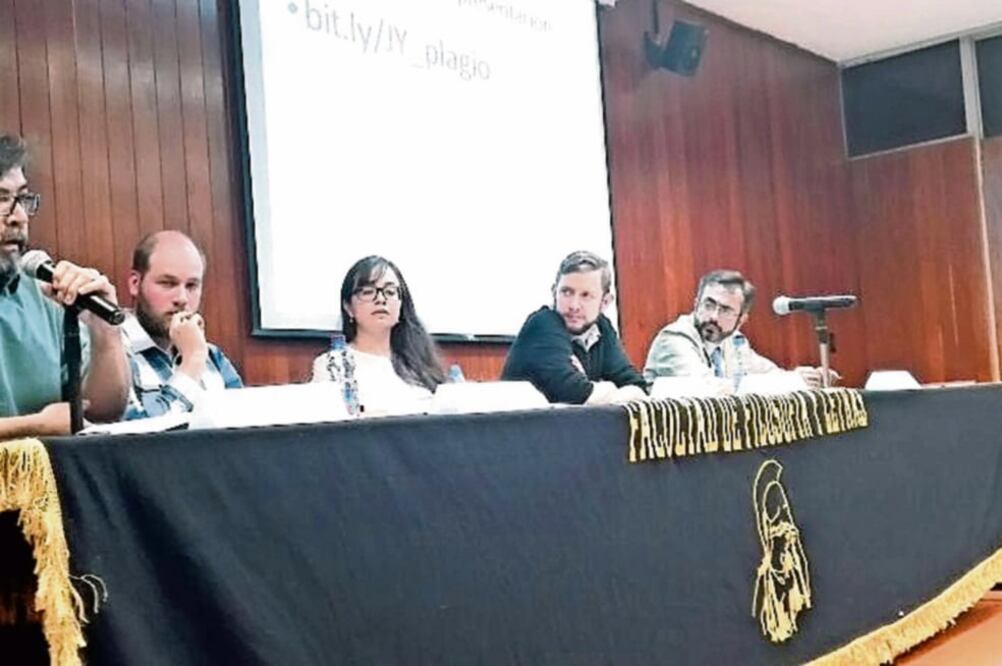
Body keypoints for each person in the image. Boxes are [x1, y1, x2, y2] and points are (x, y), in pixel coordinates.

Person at [0, 134, 129, 436]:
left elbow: (103, 411)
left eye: (22, 198)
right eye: (2, 199)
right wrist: (32, 427)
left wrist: (104, 332)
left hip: (51, 482)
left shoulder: (42, 293)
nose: (18, 217)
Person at [643, 269, 835, 389]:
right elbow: (706, 390)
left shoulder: (734, 341)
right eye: (708, 305)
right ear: (695, 304)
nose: (713, 316)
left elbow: (766, 375)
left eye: (725, 310)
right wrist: (790, 382)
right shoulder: (675, 338)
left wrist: (803, 378)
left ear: (741, 320)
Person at [122, 230, 243, 419]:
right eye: (168, 284)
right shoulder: (114, 352)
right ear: (135, 284)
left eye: (192, 286)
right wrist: (192, 362)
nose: (182, 299)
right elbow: (138, 440)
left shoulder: (212, 356)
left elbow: (242, 428)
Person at [501, 251, 647, 404]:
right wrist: (609, 389)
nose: (574, 305)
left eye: (585, 295)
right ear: (554, 292)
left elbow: (638, 387)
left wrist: (599, 391)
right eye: (567, 292)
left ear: (605, 302)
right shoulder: (542, 324)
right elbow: (575, 393)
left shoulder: (602, 328)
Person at [310, 255, 445, 415]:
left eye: (390, 291)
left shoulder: (420, 361)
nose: (380, 299)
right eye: (368, 292)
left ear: (401, 305)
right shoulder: (332, 365)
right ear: (348, 307)